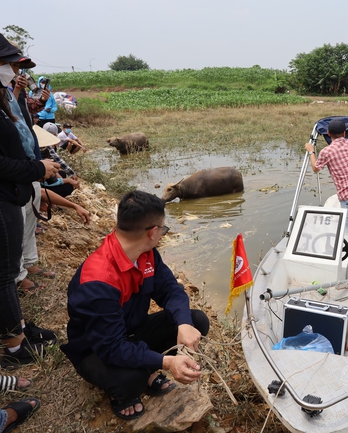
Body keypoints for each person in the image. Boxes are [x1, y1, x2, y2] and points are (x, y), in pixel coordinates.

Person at [61, 190, 210, 420]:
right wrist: (166, 362)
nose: (162, 234)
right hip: (96, 349)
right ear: (152, 232)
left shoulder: (146, 254)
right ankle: (125, 391)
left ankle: (146, 367)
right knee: (132, 381)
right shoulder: (99, 281)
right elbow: (111, 347)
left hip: (131, 330)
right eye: (163, 229)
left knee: (196, 321)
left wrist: (183, 323)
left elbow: (171, 290)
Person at [0, 33, 61, 370]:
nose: (13, 71)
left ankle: (19, 328)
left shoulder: (7, 99)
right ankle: (14, 346)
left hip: (13, 190)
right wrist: (37, 167)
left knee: (6, 271)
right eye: (7, 64)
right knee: (4, 275)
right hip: (6, 192)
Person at [304, 119, 348, 277]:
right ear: (344, 133)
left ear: (329, 134)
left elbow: (316, 168)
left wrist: (311, 151)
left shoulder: (327, 152)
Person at [41, 122, 80, 197]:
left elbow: (58, 160)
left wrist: (71, 174)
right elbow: (53, 170)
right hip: (42, 182)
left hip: (46, 175)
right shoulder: (44, 148)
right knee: (68, 187)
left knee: (62, 173)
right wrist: (65, 181)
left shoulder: (47, 145)